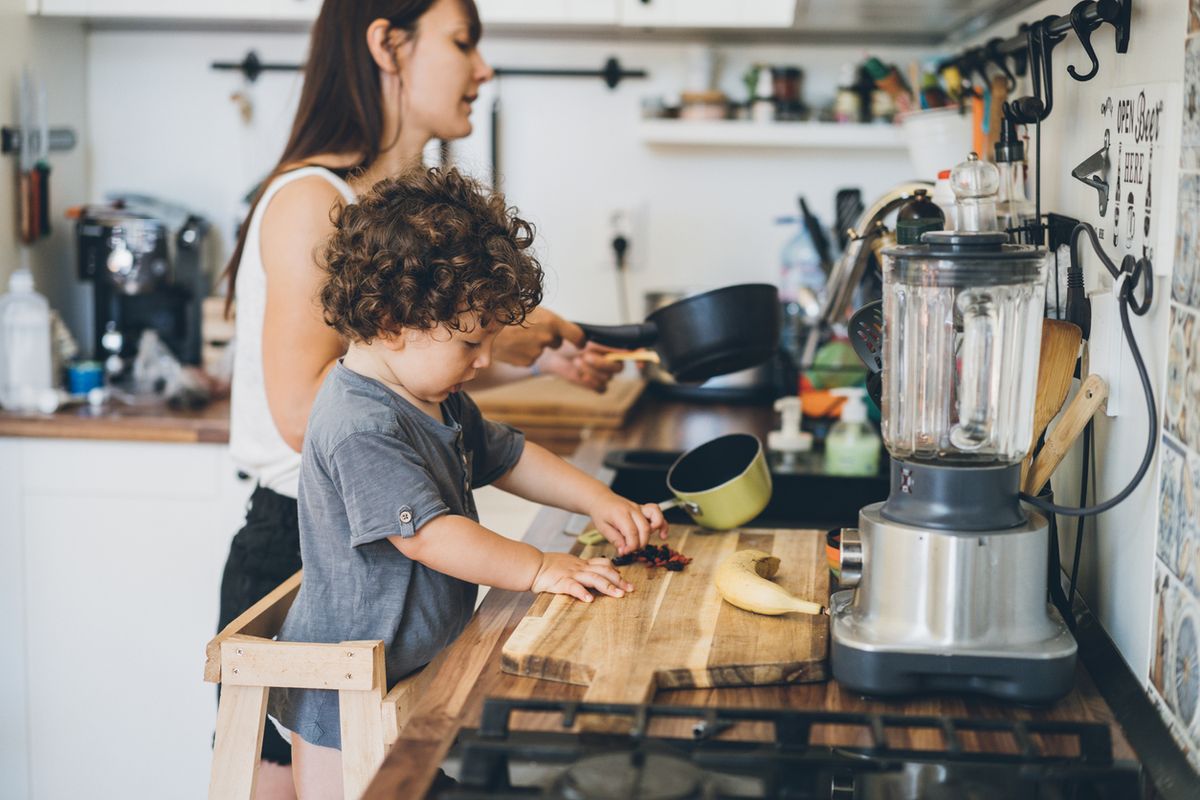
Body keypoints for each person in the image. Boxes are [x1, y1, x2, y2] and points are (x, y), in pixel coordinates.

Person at [216, 1, 619, 792]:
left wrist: (521, 356)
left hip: (394, 576)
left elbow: (420, 374)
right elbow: (307, 415)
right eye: (464, 42)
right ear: (387, 44)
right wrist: (535, 564)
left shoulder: (406, 219)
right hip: (317, 560)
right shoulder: (313, 200)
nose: (484, 67)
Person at [269, 166, 667, 796]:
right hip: (344, 693)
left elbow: (506, 456)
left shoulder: (431, 394)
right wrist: (540, 568)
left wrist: (599, 500)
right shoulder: (359, 423)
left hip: (408, 673)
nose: (484, 361)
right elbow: (428, 536)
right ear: (396, 323)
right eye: (472, 343)